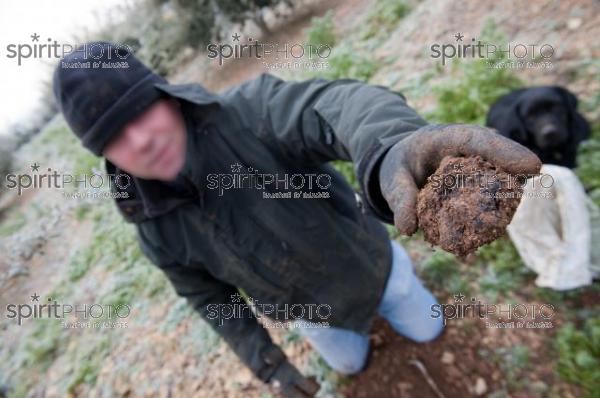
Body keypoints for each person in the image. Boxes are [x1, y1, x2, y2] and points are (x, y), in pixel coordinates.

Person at [53, 41, 541, 397]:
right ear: (105, 155)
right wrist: (273, 369)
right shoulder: (154, 229)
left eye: (140, 112)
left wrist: (389, 147)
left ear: (164, 94)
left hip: (374, 266)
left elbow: (332, 107)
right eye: (115, 137)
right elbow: (210, 300)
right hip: (313, 315)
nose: (140, 141)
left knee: (430, 329)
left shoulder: (247, 113)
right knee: (351, 365)